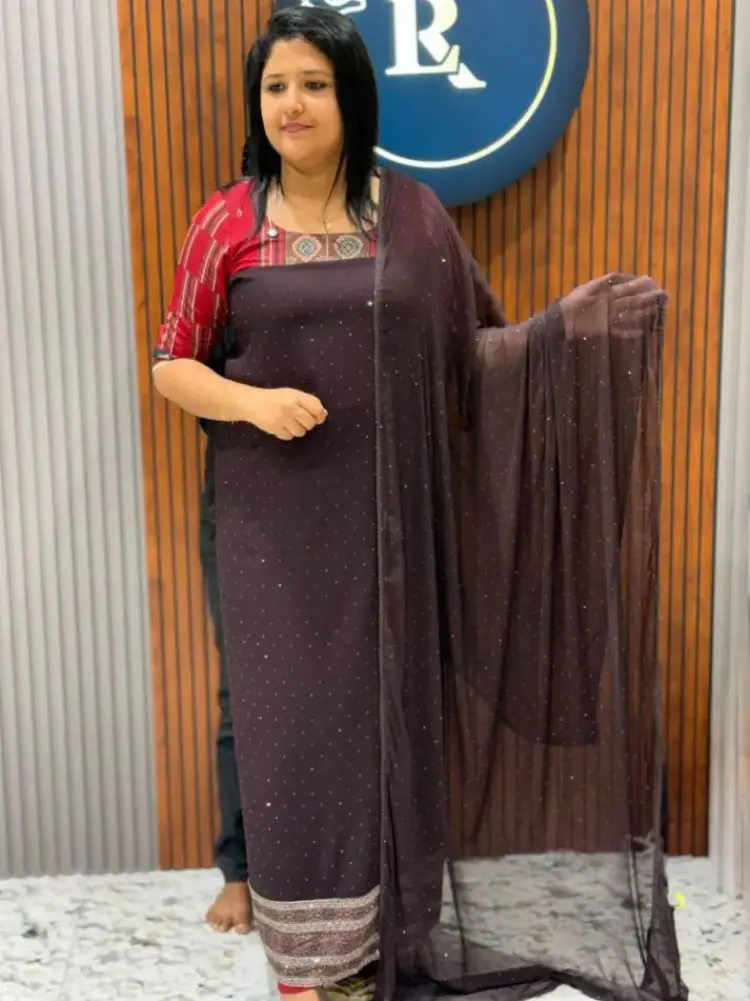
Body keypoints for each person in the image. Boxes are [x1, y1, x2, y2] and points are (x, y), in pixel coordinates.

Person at [153, 8, 685, 1001]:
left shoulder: (413, 217)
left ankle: (386, 936)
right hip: (272, 528)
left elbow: (472, 356)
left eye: (313, 84)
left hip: (391, 527)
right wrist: (255, 403)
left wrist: (567, 330)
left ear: (352, 96)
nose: (292, 105)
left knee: (390, 719)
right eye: (275, 87)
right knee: (287, 725)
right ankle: (303, 956)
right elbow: (171, 361)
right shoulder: (226, 222)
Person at [199, 425, 252, 935]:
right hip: (243, 503)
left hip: (341, 496)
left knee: (351, 695)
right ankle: (239, 872)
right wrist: (263, 408)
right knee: (243, 696)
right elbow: (176, 383)